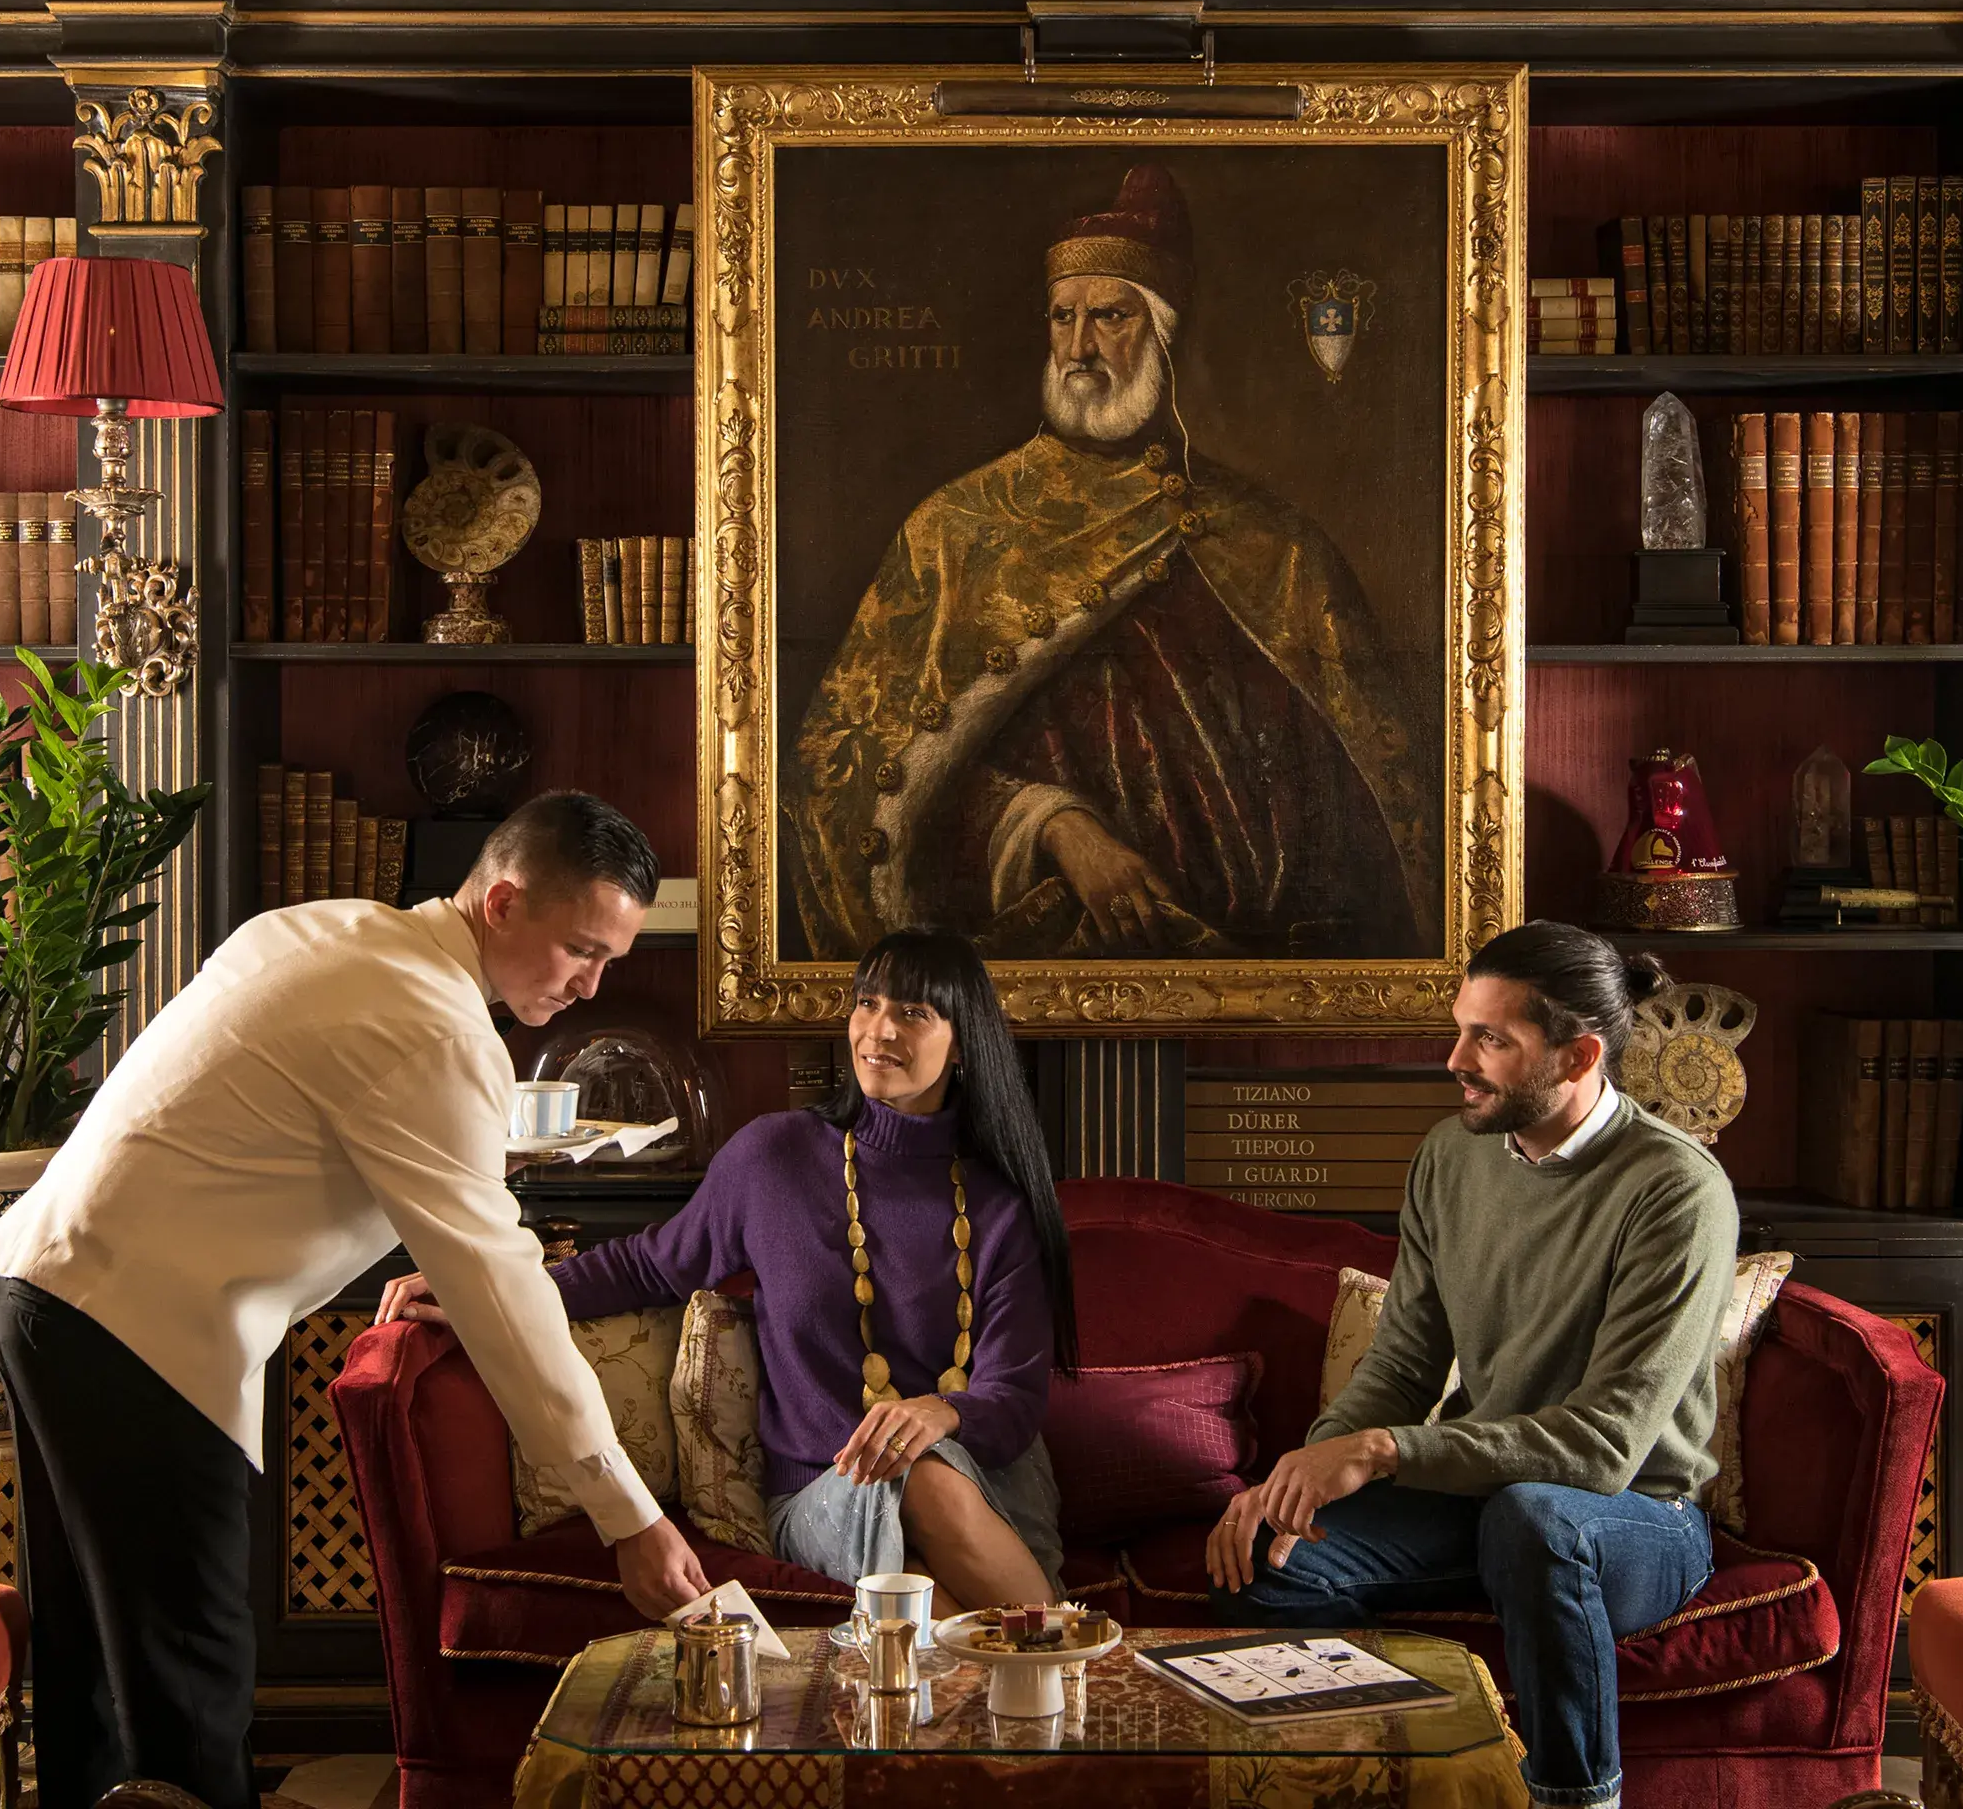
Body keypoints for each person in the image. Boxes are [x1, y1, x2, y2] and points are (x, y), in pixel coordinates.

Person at [0, 791, 712, 1809]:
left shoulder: (329, 928)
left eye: (609, 963)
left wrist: (472, 1249)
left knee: (94, 1683)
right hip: (133, 1335)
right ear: (503, 902)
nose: (590, 987)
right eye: (580, 952)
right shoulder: (433, 1028)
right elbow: (501, 1283)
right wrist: (629, 1517)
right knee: (189, 1689)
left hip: (43, 1291)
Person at [786, 162, 1436, 964]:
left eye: (1111, 317)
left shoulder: (1273, 543)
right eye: (1064, 318)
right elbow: (841, 781)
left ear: (1162, 332)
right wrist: (1052, 825)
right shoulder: (957, 528)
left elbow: (1368, 806)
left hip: (1258, 971)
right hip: (1035, 954)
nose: (1080, 345)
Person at [1206, 921, 1737, 1809]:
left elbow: (1605, 1448)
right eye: (1462, 1028)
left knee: (1536, 1522)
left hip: (1639, 1519)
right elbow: (1404, 1363)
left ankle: (1576, 1800)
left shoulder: (1676, 1191)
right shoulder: (1450, 1156)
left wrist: (1381, 1453)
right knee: (1262, 1553)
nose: (1455, 1057)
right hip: (1485, 1505)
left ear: (1578, 1056)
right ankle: (1389, 1786)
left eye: (1491, 1038)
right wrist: (1304, 1474)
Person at [549, 926, 1076, 1604]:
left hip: (988, 1486)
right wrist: (494, 1291)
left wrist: (940, 1416)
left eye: (913, 1013)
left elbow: (1015, 1400)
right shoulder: (775, 1158)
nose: (878, 1029)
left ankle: (1053, 1680)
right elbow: (651, 1265)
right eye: (867, 1003)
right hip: (825, 1492)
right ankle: (1071, 1665)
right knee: (911, 1581)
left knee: (919, 1588)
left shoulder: (1003, 1206)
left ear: (964, 1043)